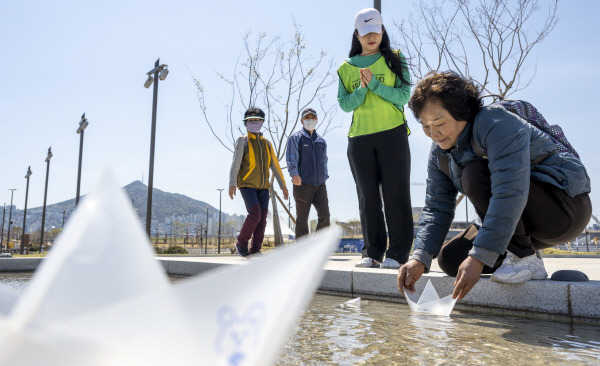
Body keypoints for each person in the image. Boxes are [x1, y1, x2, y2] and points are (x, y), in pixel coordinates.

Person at [397, 71, 592, 300]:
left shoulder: (496, 122)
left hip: (563, 209)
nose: (433, 133)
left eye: (439, 123)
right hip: (518, 218)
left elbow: (509, 189)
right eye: (425, 125)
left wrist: (480, 256)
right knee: (451, 259)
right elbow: (437, 207)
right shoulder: (440, 151)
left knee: (474, 173)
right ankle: (520, 251)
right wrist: (418, 258)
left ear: (463, 114)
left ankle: (524, 258)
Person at [337, 8, 413, 269]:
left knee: (396, 195)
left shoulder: (395, 59)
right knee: (368, 197)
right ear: (357, 34)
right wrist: (361, 90)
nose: (372, 37)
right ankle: (371, 253)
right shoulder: (345, 68)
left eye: (376, 31)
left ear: (382, 31)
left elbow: (404, 97)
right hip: (359, 140)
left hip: (393, 134)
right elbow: (345, 105)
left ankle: (398, 253)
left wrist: (376, 86)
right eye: (365, 32)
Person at [229, 107, 289, 257]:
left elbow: (274, 165)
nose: (253, 123)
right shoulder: (243, 141)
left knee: (262, 218)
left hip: (263, 187)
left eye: (256, 120)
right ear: (246, 123)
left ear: (262, 122)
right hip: (246, 185)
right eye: (250, 121)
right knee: (255, 214)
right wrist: (232, 183)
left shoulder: (267, 144)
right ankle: (241, 243)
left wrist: (283, 186)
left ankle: (255, 249)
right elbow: (235, 163)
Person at [286, 108, 330, 238]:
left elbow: (324, 160)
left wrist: (324, 176)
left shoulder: (321, 141)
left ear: (316, 120)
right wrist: (294, 174)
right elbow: (291, 157)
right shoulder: (296, 138)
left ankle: (317, 246)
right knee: (302, 218)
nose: (310, 120)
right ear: (302, 120)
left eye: (313, 118)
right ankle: (302, 249)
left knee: (325, 215)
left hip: (320, 185)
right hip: (302, 184)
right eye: (307, 118)